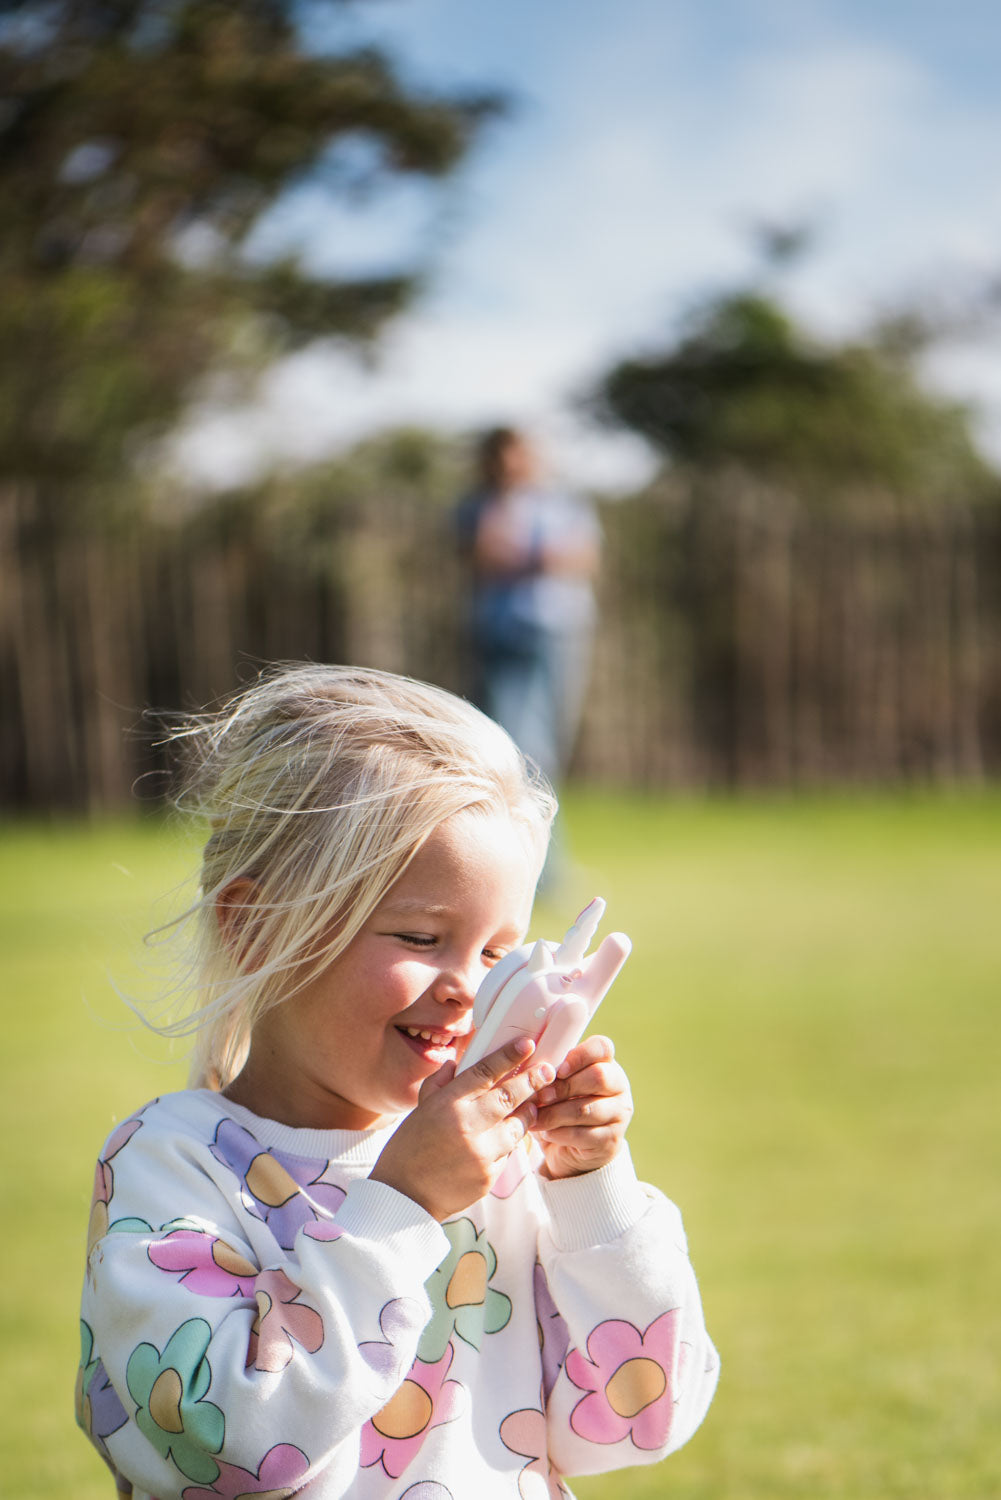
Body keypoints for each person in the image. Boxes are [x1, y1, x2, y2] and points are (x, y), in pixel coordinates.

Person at [77, 663, 718, 1500]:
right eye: (419, 937)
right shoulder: (170, 1168)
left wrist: (590, 1188)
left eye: (498, 952)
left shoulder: (504, 1167)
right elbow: (225, 1449)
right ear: (254, 926)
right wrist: (398, 1208)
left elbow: (635, 1420)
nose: (468, 986)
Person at [456, 428, 600, 791]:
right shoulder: (478, 506)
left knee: (551, 739)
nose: (509, 464)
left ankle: (545, 842)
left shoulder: (565, 503)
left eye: (517, 454)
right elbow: (483, 555)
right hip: (498, 630)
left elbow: (582, 557)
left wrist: (522, 558)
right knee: (504, 737)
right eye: (500, 456)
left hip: (558, 629)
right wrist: (539, 556)